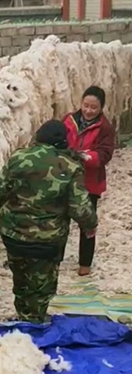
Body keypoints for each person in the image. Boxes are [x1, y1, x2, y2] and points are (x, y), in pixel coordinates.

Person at [0, 120, 98, 324]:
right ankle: (33, 325)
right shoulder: (71, 166)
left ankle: (23, 319)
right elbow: (80, 208)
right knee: (40, 290)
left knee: (21, 283)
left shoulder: (18, 158)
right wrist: (90, 226)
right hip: (47, 241)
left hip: (14, 236)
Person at [63, 86, 115, 276]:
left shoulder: (105, 128)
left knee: (87, 223)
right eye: (86, 105)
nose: (88, 110)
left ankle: (85, 264)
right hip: (65, 179)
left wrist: (86, 156)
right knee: (60, 221)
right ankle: (55, 259)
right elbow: (58, 140)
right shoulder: (69, 120)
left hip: (89, 183)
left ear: (101, 108)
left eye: (94, 107)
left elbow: (105, 154)